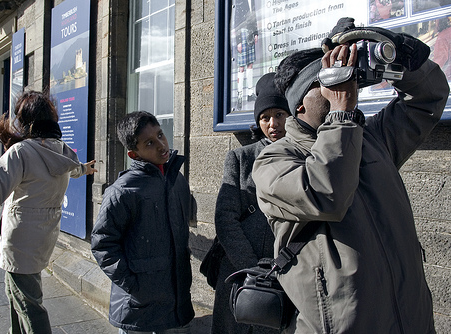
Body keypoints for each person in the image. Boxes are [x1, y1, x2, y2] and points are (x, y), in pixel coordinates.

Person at [252, 21, 449, 333]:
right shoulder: (273, 161)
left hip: (411, 319)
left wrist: (406, 60)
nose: (343, 84)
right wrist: (341, 114)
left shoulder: (371, 139)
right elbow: (327, 194)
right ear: (300, 103)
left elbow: (430, 97)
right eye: (326, 80)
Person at [0, 90, 98, 334]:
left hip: (20, 241)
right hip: (43, 237)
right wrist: (84, 169)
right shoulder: (62, 151)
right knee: (16, 295)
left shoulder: (21, 153)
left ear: (26, 121)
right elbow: (72, 170)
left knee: (28, 304)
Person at [91, 111, 194, 334]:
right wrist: (134, 286)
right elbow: (102, 244)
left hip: (175, 303)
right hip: (139, 308)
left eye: (160, 135)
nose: (161, 144)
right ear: (134, 153)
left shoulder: (177, 180)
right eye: (149, 142)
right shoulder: (123, 190)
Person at [211, 72, 290, 334]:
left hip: (286, 275)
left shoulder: (303, 158)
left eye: (279, 114)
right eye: (265, 117)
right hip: (241, 273)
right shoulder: (241, 158)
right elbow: (225, 218)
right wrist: (252, 267)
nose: (273, 123)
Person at [233, 0, 258, 110]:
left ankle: (250, 93)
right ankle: (239, 96)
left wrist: (256, 33)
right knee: (241, 67)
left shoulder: (252, 1)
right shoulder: (239, 1)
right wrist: (238, 41)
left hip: (251, 32)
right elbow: (236, 22)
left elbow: (254, 16)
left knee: (250, 65)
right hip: (242, 33)